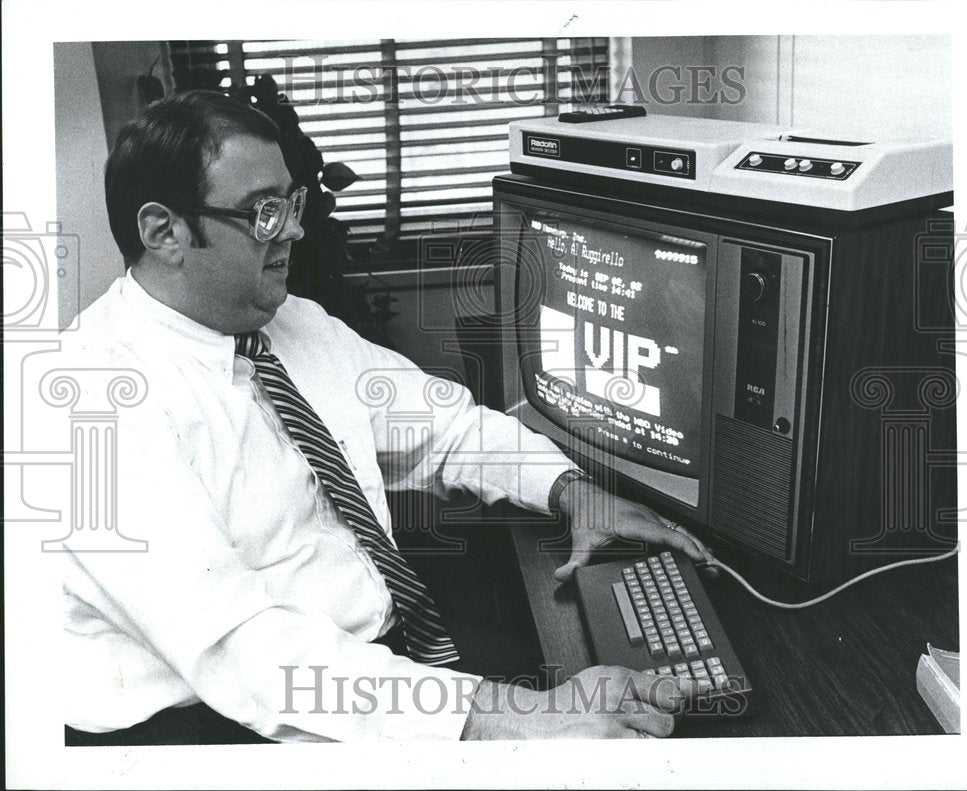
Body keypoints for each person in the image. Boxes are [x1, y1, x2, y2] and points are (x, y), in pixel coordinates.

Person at [61, 90, 709, 743]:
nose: (293, 229)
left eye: (292, 203)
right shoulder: (91, 399)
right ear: (163, 232)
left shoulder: (290, 323)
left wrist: (575, 492)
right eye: (263, 211)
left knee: (633, 706)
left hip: (373, 662)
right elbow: (243, 649)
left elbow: (449, 427)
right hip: (216, 724)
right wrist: (511, 717)